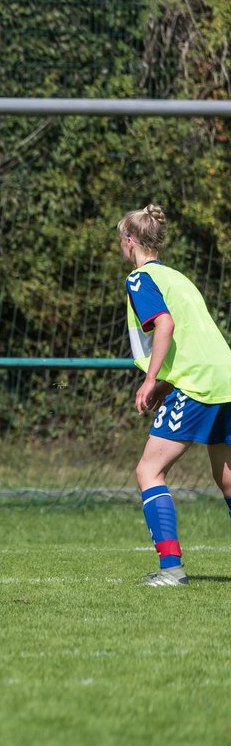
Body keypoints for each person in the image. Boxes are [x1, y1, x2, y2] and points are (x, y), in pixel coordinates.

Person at [119, 203, 231, 587]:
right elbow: (191, 339)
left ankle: (171, 570)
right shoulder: (177, 277)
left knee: (148, 470)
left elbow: (164, 326)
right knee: (229, 479)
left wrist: (150, 381)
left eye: (121, 239)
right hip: (225, 377)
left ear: (130, 241)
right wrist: (165, 382)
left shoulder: (140, 279)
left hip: (199, 383)